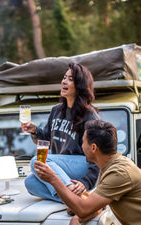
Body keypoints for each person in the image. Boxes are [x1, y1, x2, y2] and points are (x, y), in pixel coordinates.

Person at [35, 119, 141, 225]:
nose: (81, 146)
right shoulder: (110, 166)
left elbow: (83, 208)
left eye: (83, 142)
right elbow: (97, 206)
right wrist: (78, 218)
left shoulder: (119, 172)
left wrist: (53, 178)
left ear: (93, 148)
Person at [21, 63, 100, 203]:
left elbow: (98, 154)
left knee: (38, 160)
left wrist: (86, 182)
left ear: (80, 86)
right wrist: (34, 130)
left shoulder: (89, 115)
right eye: (64, 78)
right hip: (60, 167)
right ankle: (75, 200)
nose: (64, 81)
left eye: (70, 79)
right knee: (30, 182)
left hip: (82, 165)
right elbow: (46, 139)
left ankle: (69, 189)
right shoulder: (56, 110)